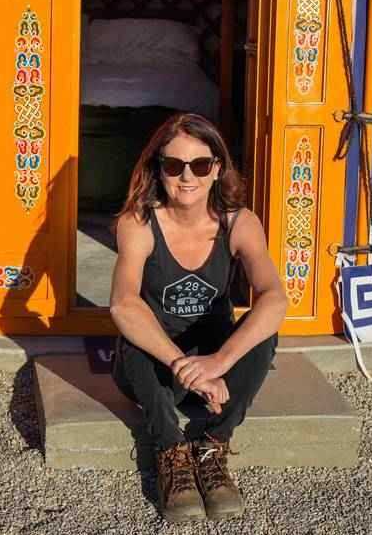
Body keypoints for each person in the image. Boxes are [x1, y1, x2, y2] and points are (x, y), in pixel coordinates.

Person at [109, 113, 287, 522]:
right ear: (159, 169)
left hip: (215, 367)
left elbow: (275, 297)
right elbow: (123, 304)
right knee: (134, 338)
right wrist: (183, 366)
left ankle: (212, 444)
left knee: (264, 333)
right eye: (173, 165)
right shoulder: (138, 223)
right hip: (158, 370)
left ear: (217, 169)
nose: (186, 177)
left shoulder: (239, 222)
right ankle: (171, 451)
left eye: (200, 165)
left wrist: (218, 363)